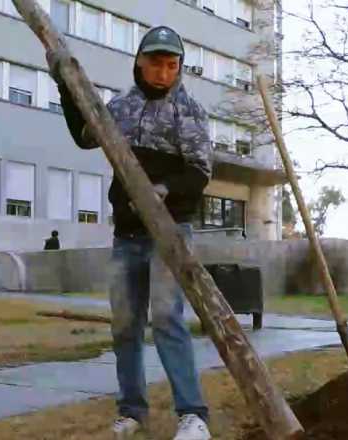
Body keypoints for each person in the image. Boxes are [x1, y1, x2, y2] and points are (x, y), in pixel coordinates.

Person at [51, 25, 213, 440]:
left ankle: (193, 415)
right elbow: (86, 135)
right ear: (139, 62)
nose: (163, 72)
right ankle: (132, 411)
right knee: (124, 326)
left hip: (169, 234)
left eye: (171, 65)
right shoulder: (120, 107)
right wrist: (65, 86)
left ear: (179, 69)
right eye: (155, 63)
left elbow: (199, 172)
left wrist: (164, 192)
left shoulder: (189, 111)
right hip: (126, 237)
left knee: (166, 319)